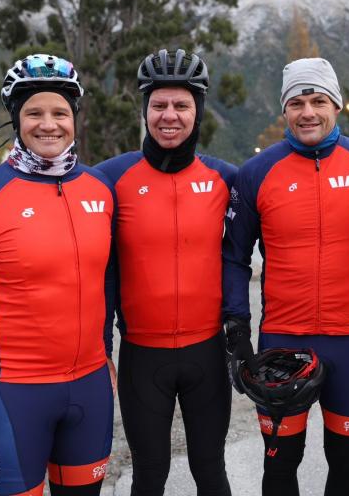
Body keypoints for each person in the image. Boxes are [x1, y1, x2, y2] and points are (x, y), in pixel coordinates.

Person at [0, 54, 117, 496]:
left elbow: (103, 282)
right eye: (34, 112)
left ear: (74, 119)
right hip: (12, 396)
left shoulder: (100, 190)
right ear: (16, 119)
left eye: (60, 113)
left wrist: (104, 348)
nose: (48, 124)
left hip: (90, 389)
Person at [223, 56, 349, 496]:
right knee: (281, 466)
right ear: (284, 110)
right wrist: (237, 324)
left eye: (318, 100)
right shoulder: (256, 173)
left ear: (337, 105)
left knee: (346, 462)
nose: (307, 112)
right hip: (282, 342)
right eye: (297, 102)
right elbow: (233, 256)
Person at [95, 49, 236, 496]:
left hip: (207, 353)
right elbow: (47, 190)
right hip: (143, 357)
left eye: (181, 105)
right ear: (145, 110)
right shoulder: (109, 179)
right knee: (149, 474)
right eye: (159, 105)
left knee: (211, 470)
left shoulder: (226, 179)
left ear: (198, 111)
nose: (169, 116)